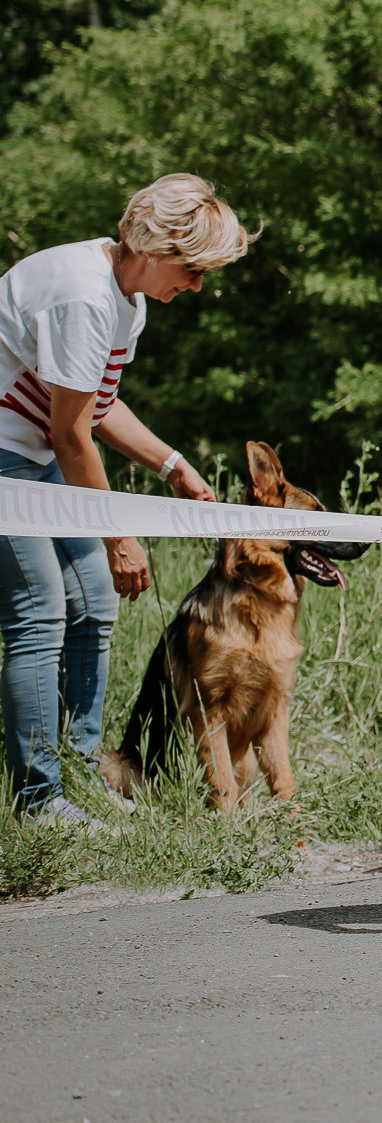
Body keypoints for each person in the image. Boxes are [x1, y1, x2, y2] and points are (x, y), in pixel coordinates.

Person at [0, 175, 246, 821]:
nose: (196, 285)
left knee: (93, 601)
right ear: (150, 242)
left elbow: (95, 403)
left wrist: (173, 465)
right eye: (192, 268)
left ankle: (81, 776)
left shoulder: (124, 298)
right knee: (40, 612)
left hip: (33, 453)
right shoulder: (81, 293)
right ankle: (39, 798)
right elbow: (70, 431)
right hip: (8, 455)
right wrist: (119, 534)